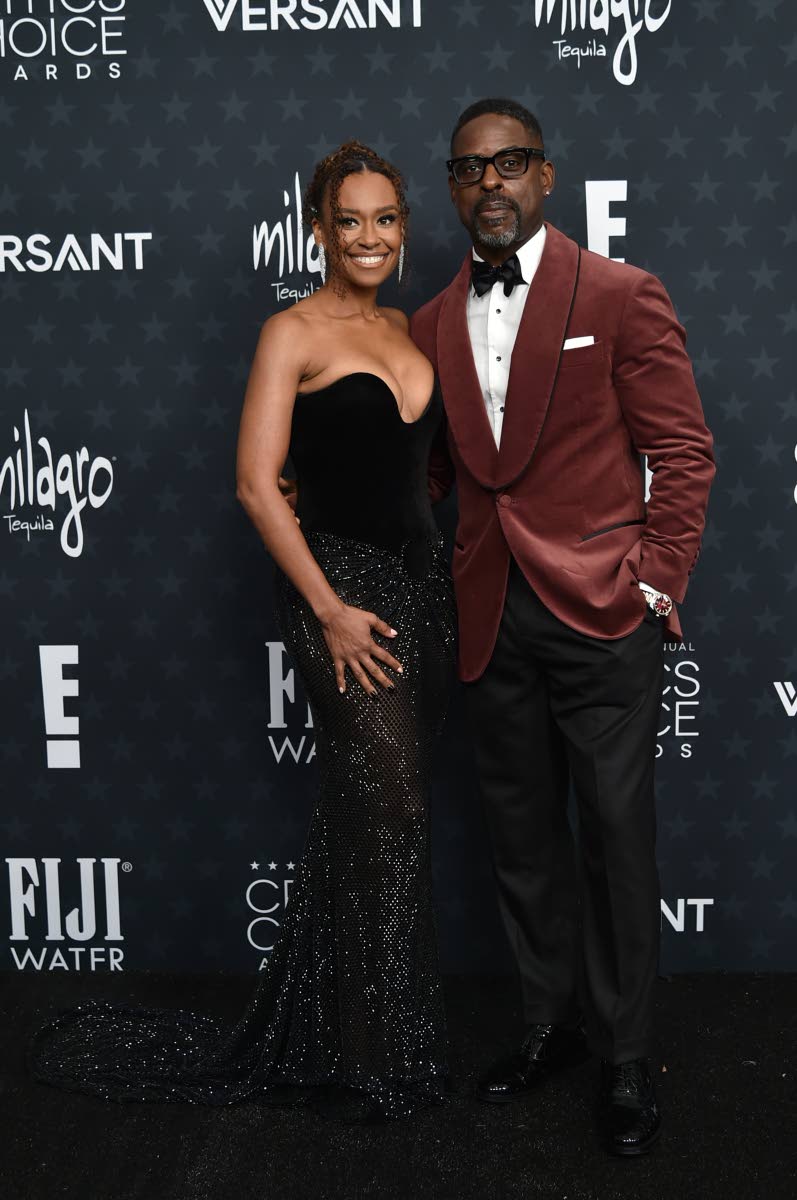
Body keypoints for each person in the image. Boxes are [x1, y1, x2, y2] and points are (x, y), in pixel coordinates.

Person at [28, 142, 456, 1121]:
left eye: (385, 219)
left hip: (420, 592)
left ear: (403, 227)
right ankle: (377, 1059)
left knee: (366, 817)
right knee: (389, 810)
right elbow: (257, 487)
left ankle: (345, 1035)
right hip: (335, 592)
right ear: (318, 230)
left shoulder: (409, 329)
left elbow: (416, 474)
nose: (368, 237)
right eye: (347, 220)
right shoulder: (289, 332)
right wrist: (329, 610)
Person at [410, 98, 715, 1155]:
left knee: (615, 841)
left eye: (509, 162)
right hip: (489, 612)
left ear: (545, 175)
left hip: (600, 612)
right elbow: (437, 471)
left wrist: (654, 582)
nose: (489, 183)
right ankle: (550, 1024)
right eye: (468, 168)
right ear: (452, 189)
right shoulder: (431, 321)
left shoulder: (621, 295)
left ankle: (626, 1054)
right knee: (521, 837)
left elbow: (681, 452)